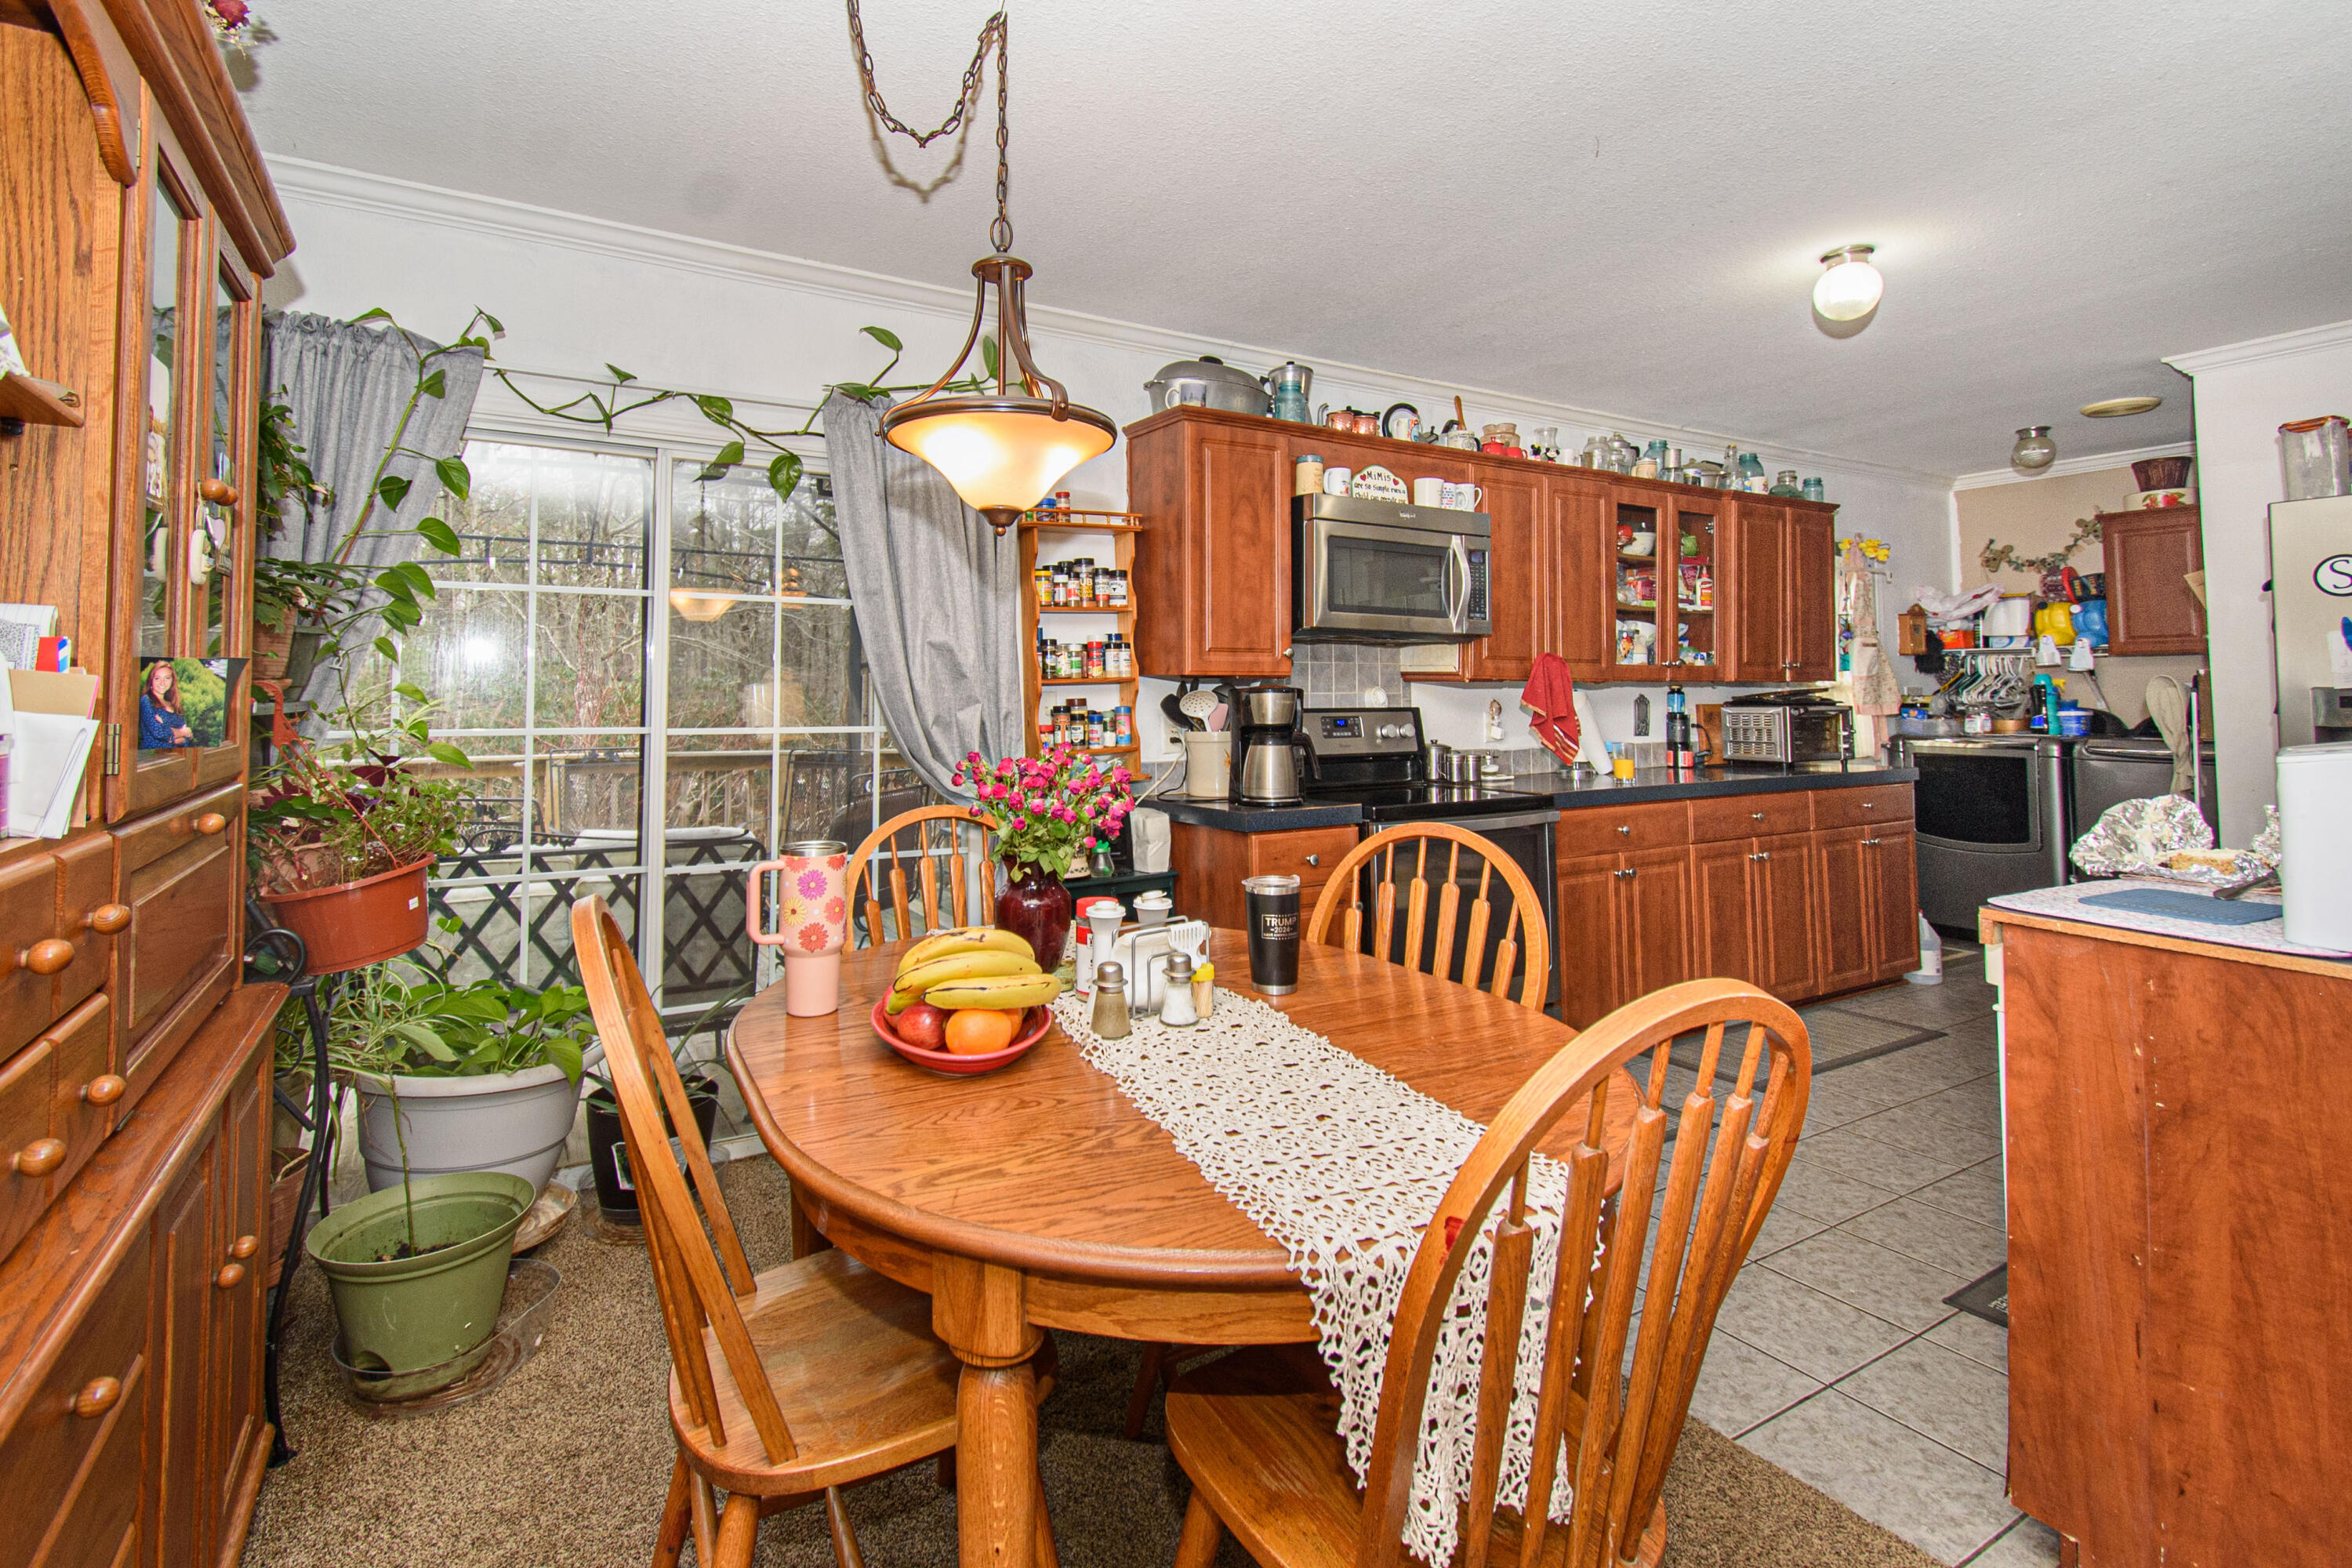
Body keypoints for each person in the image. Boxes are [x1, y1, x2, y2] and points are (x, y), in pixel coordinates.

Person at [139, 661, 193, 748]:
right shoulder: (146, 700)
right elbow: (159, 733)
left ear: (172, 681)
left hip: (175, 754)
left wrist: (173, 736)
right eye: (157, 678)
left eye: (167, 678)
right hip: (153, 754)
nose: (162, 683)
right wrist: (183, 733)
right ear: (151, 681)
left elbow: (187, 739)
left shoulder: (174, 704)